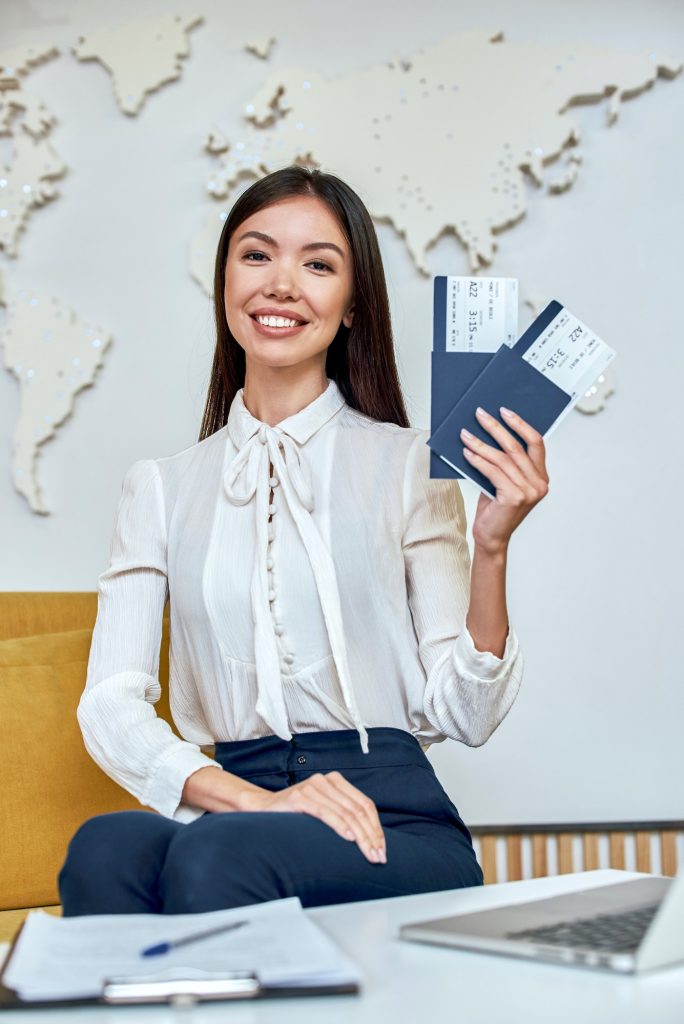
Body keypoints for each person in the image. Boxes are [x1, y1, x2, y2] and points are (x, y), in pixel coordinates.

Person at [58, 165, 549, 916]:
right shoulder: (159, 486)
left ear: (352, 306)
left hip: (390, 817)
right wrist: (254, 802)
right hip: (233, 802)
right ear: (225, 281)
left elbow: (467, 716)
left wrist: (492, 546)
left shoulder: (409, 467)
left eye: (317, 264)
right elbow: (109, 707)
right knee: (104, 849)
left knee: (219, 857)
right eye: (257, 255)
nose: (281, 283)